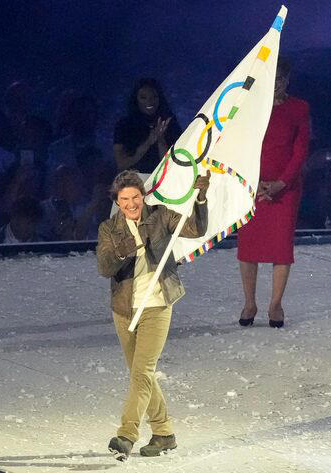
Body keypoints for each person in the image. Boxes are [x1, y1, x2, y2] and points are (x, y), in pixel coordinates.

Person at [97, 169, 210, 461]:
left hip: (157, 304)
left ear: (142, 196)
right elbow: (104, 266)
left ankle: (126, 435)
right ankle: (163, 433)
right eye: (125, 199)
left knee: (142, 371)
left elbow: (195, 230)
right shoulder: (109, 229)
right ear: (117, 201)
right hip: (124, 310)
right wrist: (128, 247)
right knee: (140, 373)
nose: (131, 203)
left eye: (135, 196)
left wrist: (199, 197)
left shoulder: (159, 216)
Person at [236, 58, 310, 328]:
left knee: (280, 247)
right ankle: (249, 302)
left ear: (287, 79)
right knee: (248, 247)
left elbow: (300, 150)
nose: (277, 84)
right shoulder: (250, 106)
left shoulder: (299, 108)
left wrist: (281, 183)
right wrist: (253, 180)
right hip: (253, 185)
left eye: (281, 78)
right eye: (272, 78)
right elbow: (241, 143)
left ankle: (275, 304)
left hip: (285, 189)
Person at [113, 78, 182, 173]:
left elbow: (173, 165)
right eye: (143, 97)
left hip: (163, 181)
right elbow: (121, 164)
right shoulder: (124, 126)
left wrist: (160, 140)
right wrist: (148, 142)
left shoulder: (169, 122)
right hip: (133, 181)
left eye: (154, 97)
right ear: (136, 99)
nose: (149, 102)